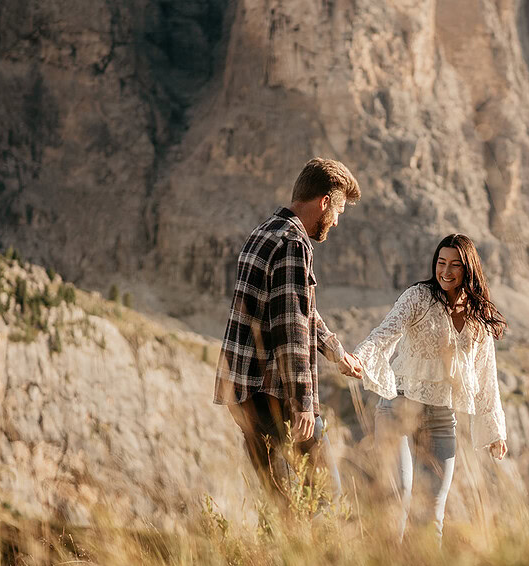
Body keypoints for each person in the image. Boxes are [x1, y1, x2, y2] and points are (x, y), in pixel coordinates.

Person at [214, 158, 363, 506]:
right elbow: (292, 330)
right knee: (325, 498)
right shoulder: (295, 243)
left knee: (280, 504)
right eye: (338, 211)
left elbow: (297, 308)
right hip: (274, 397)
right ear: (324, 202)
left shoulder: (265, 231)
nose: (337, 222)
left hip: (244, 393)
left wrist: (337, 353)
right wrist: (303, 405)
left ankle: (281, 560)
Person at [354, 233, 508, 543]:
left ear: (469, 269)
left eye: (455, 265)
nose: (446, 272)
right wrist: (360, 358)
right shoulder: (418, 297)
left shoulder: (478, 317)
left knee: (431, 513)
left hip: (440, 417)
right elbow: (386, 333)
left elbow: (486, 375)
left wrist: (495, 432)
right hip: (398, 406)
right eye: (441, 263)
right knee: (397, 499)